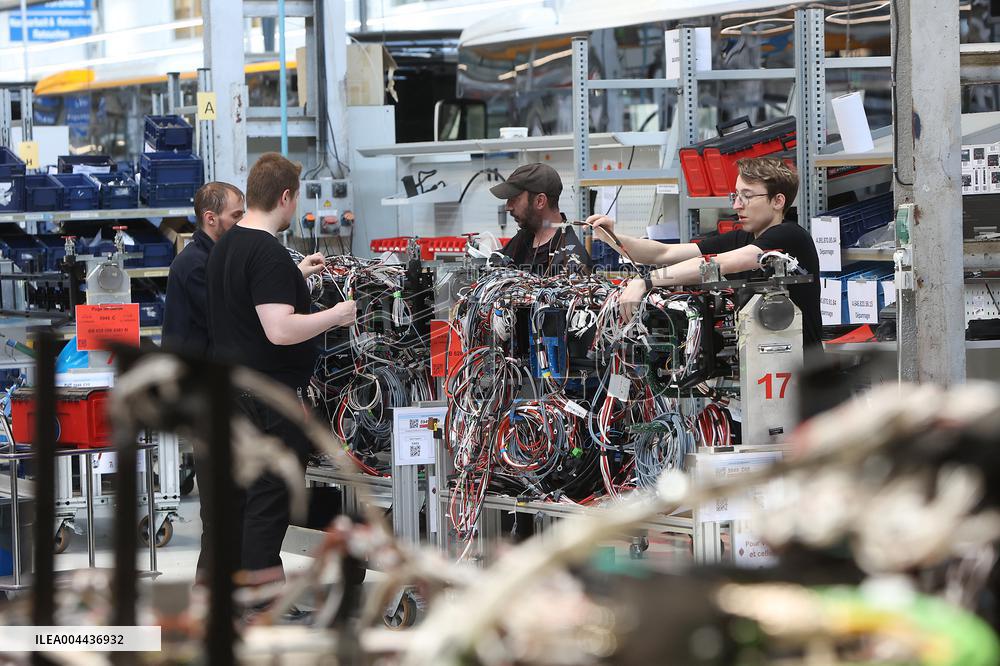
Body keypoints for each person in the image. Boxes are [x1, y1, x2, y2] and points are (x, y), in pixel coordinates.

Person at [205, 153, 356, 611]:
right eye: (296, 201)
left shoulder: (228, 246)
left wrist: (296, 276)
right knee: (268, 507)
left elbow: (249, 306)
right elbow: (279, 329)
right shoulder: (268, 252)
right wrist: (335, 315)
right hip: (267, 402)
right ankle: (261, 609)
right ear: (286, 197)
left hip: (229, 395)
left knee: (237, 505)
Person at [586, 157, 822, 352]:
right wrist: (612, 237)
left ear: (778, 201)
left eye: (747, 196)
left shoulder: (789, 236)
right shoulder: (742, 238)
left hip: (801, 373)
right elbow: (663, 252)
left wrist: (647, 281)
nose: (737, 205)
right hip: (764, 368)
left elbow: (721, 263)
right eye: (736, 196)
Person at [162, 181, 245, 357]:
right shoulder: (194, 265)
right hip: (193, 374)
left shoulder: (218, 256)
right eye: (236, 216)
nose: (242, 222)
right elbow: (229, 318)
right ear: (210, 218)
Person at [489, 162, 592, 274]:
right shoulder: (524, 238)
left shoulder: (572, 261)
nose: (508, 207)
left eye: (514, 198)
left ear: (540, 201)